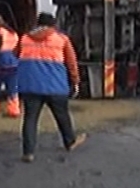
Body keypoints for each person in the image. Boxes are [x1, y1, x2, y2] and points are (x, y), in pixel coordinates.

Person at [15, 12, 87, 162]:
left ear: (37, 23)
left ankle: (28, 152)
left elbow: (16, 54)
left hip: (31, 86)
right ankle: (70, 142)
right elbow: (71, 63)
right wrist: (75, 81)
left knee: (30, 119)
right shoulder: (61, 39)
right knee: (62, 115)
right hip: (56, 87)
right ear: (53, 25)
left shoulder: (25, 38)